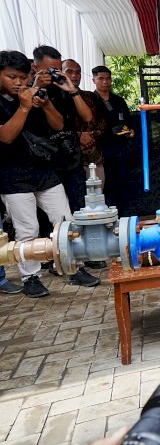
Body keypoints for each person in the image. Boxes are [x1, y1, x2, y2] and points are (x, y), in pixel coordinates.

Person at [0, 50, 99, 297]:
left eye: (23, 76)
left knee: (64, 220)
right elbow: (6, 136)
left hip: (44, 169)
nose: (19, 82)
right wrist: (24, 108)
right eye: (12, 77)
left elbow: (58, 125)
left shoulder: (32, 92)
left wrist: (45, 104)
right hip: (12, 175)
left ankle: (72, 267)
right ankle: (30, 277)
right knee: (27, 229)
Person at [32, 46, 93, 211]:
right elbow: (55, 125)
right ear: (35, 68)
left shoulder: (63, 87)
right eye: (49, 70)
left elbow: (87, 117)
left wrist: (72, 90)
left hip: (71, 157)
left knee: (79, 207)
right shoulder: (28, 91)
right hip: (46, 162)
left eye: (57, 69)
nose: (54, 73)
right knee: (53, 214)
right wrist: (37, 88)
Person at [91, 65, 135, 209]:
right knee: (105, 184)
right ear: (94, 80)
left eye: (108, 78)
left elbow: (128, 121)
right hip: (101, 150)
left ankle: (124, 214)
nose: (105, 82)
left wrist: (130, 131)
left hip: (121, 148)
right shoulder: (90, 100)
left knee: (123, 181)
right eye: (101, 79)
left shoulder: (119, 101)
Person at [63, 59, 107, 183]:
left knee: (97, 196)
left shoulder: (90, 96)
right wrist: (78, 136)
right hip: (68, 159)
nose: (74, 76)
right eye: (69, 72)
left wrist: (90, 137)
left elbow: (102, 121)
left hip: (93, 155)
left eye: (78, 72)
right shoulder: (54, 97)